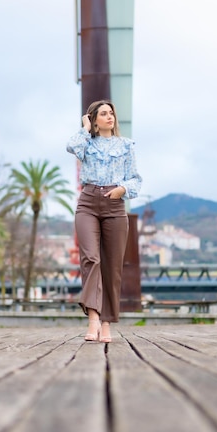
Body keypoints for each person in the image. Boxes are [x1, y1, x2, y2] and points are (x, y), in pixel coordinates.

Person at [67, 99, 142, 343]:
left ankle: (107, 323)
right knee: (91, 259)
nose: (109, 116)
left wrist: (122, 189)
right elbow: (71, 146)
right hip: (88, 202)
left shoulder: (126, 145)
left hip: (114, 204)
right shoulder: (86, 143)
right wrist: (84, 128)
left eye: (111, 113)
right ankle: (93, 318)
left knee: (112, 267)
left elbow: (135, 179)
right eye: (103, 113)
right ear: (94, 120)